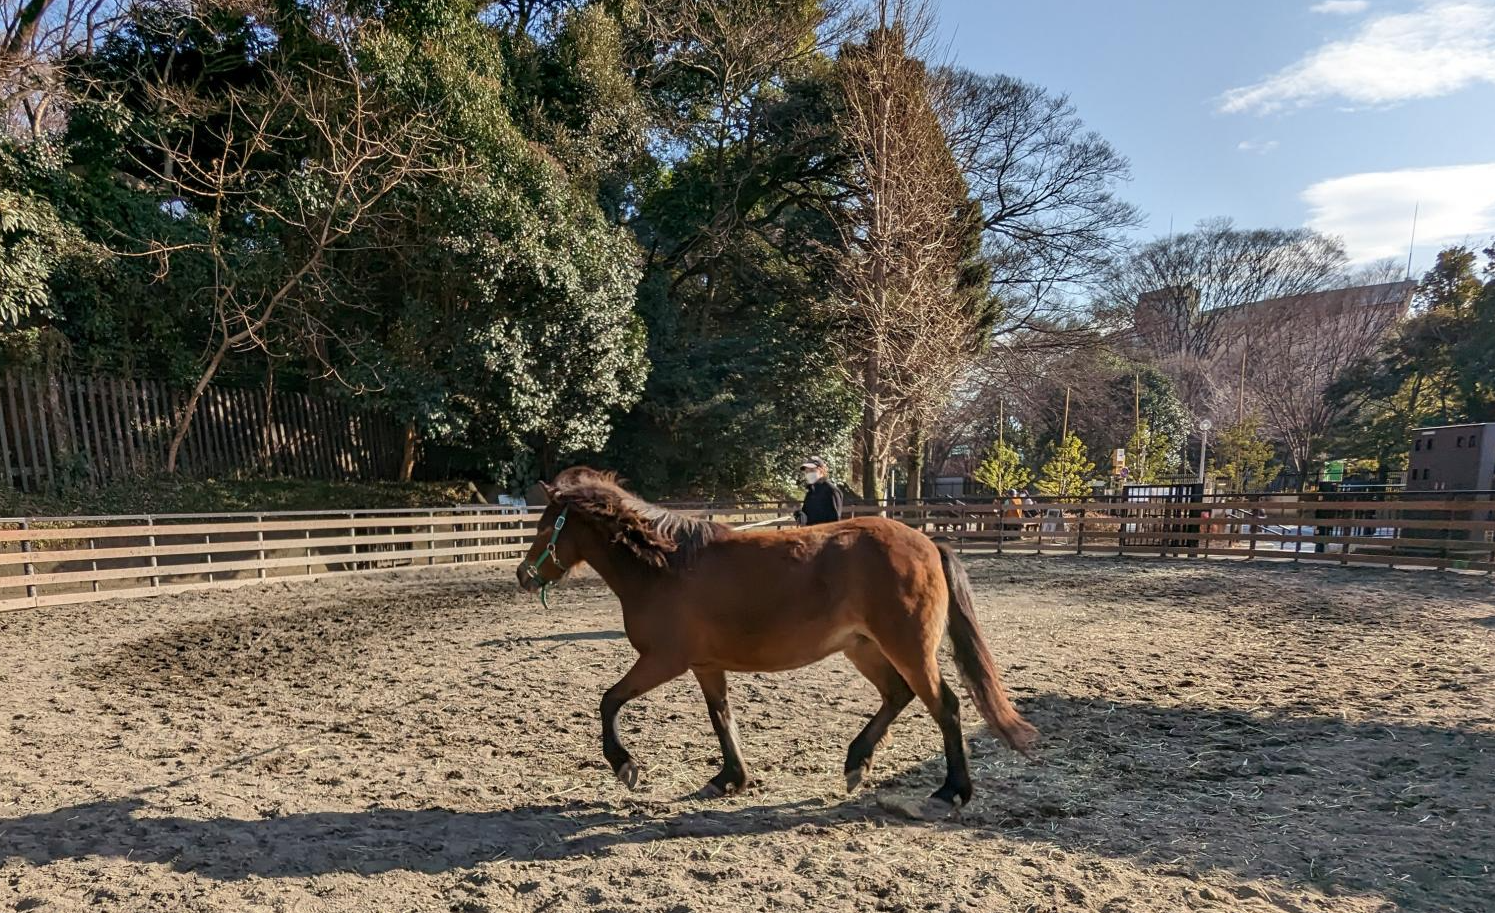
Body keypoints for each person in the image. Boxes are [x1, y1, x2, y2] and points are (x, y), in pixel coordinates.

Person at [795, 456, 843, 525]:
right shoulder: (810, 492)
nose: (808, 474)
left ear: (821, 470)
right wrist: (801, 515)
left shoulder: (831, 491)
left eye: (812, 470)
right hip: (811, 533)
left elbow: (835, 522)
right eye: (807, 471)